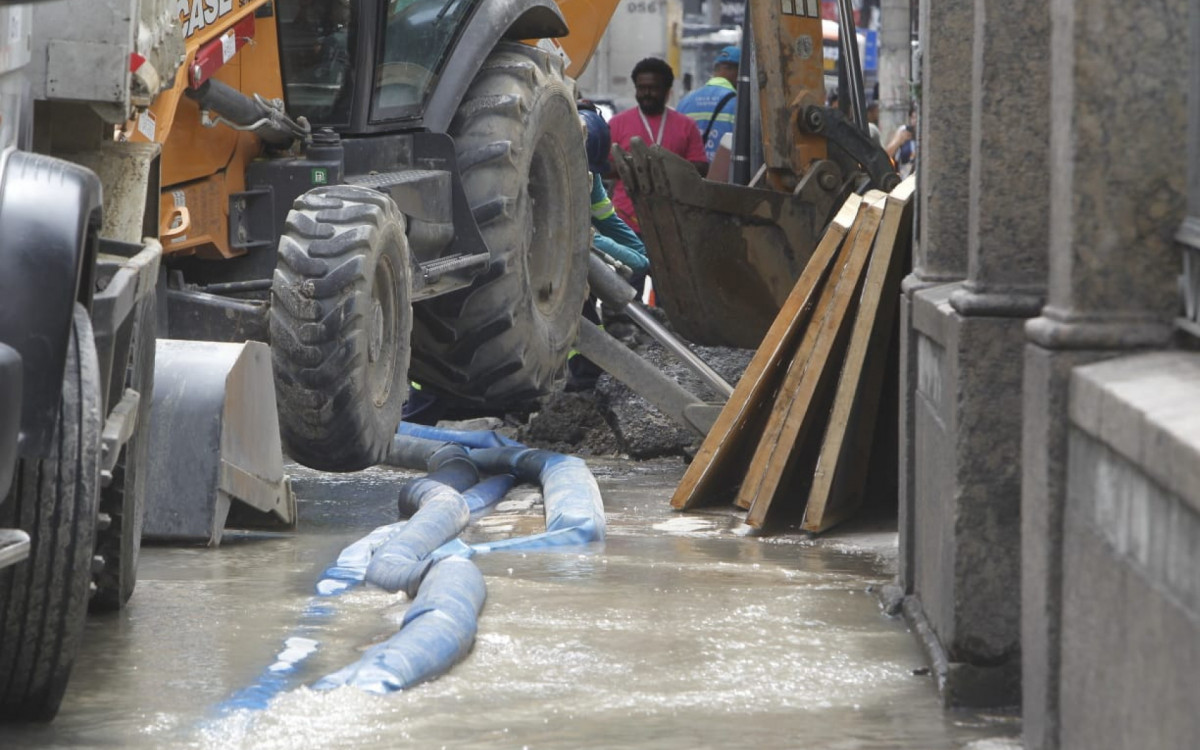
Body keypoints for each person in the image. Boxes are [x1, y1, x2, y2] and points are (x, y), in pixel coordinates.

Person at [608, 57, 707, 232]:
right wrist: (635, 168)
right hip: (626, 221)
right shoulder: (617, 123)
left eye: (653, 88)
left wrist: (664, 168)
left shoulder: (686, 125)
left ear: (667, 91)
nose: (646, 93)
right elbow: (604, 167)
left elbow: (700, 168)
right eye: (641, 88)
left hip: (674, 221)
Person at [676, 45, 740, 163]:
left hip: (690, 176)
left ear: (716, 70)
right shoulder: (739, 104)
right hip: (723, 178)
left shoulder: (685, 101)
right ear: (738, 72)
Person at [886, 103, 918, 177]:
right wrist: (898, 141)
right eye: (913, 117)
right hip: (904, 177)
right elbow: (887, 155)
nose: (915, 121)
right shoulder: (903, 131)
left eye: (918, 118)